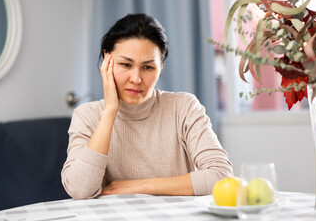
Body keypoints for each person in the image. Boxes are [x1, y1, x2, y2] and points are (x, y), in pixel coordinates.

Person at [61, 13, 233, 199]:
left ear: (161, 67)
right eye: (126, 64)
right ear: (107, 61)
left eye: (148, 67)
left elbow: (221, 176)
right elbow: (79, 190)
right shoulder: (87, 116)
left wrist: (138, 186)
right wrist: (110, 111)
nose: (136, 79)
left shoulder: (184, 108)